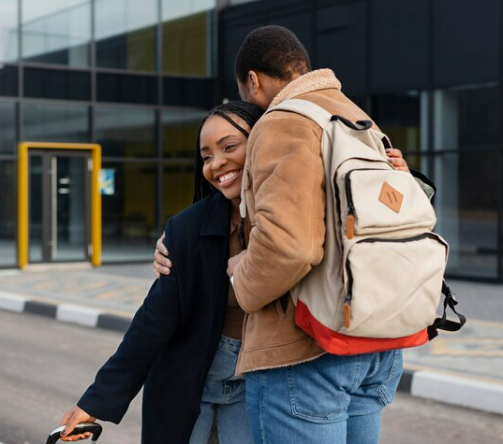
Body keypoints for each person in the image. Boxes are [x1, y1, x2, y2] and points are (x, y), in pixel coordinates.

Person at [154, 25, 425, 444]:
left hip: (309, 348)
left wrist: (240, 278)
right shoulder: (357, 118)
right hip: (378, 336)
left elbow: (290, 247)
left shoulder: (284, 122)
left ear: (253, 81)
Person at [56, 101, 266, 444]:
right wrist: (94, 401)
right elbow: (153, 321)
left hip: (256, 385)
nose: (217, 163)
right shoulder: (186, 230)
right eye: (207, 156)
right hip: (187, 386)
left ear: (262, 141)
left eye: (229, 147)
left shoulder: (291, 221)